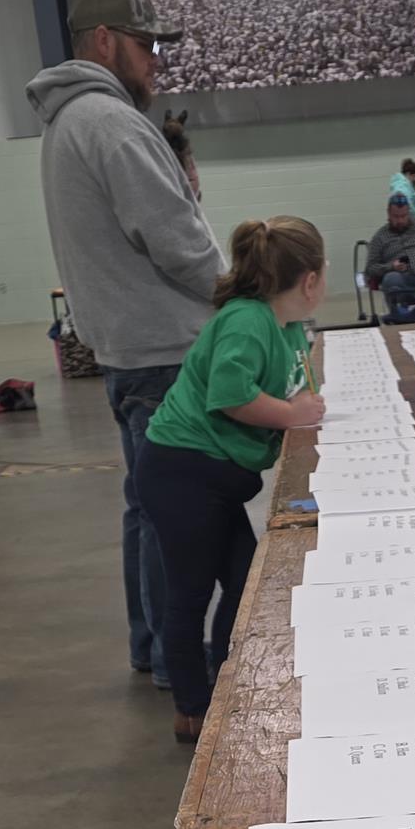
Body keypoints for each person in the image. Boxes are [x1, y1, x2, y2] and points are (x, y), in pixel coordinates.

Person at [28, 0, 222, 689]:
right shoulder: (110, 123)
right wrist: (243, 296)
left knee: (147, 506)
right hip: (162, 355)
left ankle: (152, 645)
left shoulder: (68, 122)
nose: (156, 60)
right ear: (105, 41)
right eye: (146, 45)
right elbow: (175, 240)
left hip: (127, 352)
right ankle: (179, 662)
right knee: (175, 514)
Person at [138, 218, 326, 747]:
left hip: (216, 479)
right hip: (183, 471)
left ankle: (223, 685)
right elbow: (230, 394)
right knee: (190, 593)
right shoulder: (247, 320)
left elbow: (294, 387)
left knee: (246, 586)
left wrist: (301, 408)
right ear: (310, 280)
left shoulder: (288, 326)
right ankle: (192, 711)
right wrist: (291, 415)